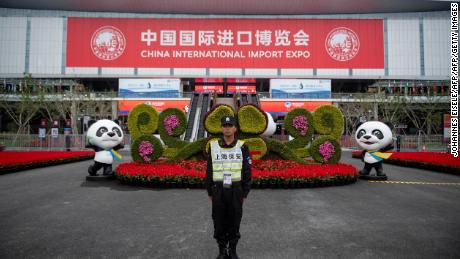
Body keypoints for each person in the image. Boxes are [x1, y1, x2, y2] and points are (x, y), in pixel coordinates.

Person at [206, 116, 251, 259]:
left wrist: (244, 192)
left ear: (235, 128)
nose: (227, 128)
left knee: (234, 220)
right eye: (224, 125)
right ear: (221, 128)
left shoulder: (243, 146)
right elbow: (209, 170)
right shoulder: (213, 146)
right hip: (218, 189)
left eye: (230, 125)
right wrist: (210, 191)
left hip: (236, 190)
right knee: (219, 221)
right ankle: (221, 250)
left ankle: (232, 250)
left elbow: (247, 170)